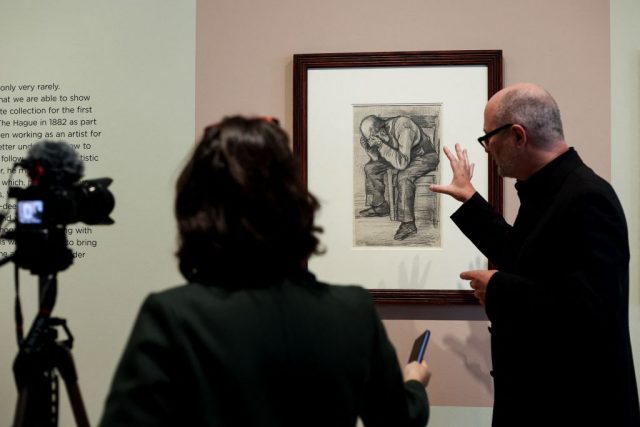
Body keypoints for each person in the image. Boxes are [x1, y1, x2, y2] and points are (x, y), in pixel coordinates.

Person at [99, 116, 432, 426]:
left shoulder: (173, 317)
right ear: (296, 202)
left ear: (196, 206)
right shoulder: (353, 312)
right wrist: (414, 385)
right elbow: (399, 421)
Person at [430, 83, 640, 426]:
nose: (486, 149)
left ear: (517, 135)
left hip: (576, 408)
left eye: (488, 138)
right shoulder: (553, 190)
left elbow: (591, 310)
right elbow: (523, 258)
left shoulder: (586, 197)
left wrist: (498, 289)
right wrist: (470, 200)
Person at [358, 115, 439, 240]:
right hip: (402, 157)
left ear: (380, 130)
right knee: (371, 168)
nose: (372, 140)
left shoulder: (404, 127)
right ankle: (380, 205)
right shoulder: (382, 132)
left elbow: (401, 164)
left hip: (424, 156)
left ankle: (408, 224)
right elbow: (376, 159)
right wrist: (368, 148)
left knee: (404, 177)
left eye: (372, 138)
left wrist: (380, 145)